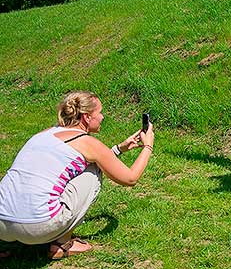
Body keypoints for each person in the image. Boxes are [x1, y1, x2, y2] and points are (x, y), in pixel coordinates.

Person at [0, 91, 154, 260]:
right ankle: (62, 244)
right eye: (100, 112)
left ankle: (7, 245)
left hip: (2, 226)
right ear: (87, 117)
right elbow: (130, 178)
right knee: (94, 172)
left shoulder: (43, 134)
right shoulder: (87, 142)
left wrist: (118, 149)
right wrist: (148, 146)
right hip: (38, 228)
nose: (102, 117)